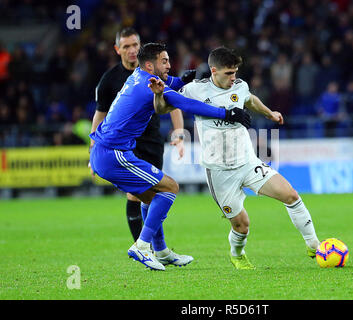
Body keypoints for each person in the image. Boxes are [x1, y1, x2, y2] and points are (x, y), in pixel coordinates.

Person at [150, 46, 320, 270]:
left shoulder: (239, 86)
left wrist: (269, 113)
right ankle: (237, 254)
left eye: (235, 72)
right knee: (242, 226)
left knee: (291, 195)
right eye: (228, 73)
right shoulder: (194, 90)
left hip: (247, 162)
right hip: (219, 172)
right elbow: (162, 109)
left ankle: (314, 245)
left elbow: (249, 99)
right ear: (213, 70)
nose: (234, 77)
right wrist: (159, 94)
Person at [90, 42, 251, 271]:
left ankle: (162, 251)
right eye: (164, 61)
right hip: (113, 154)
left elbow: (170, 82)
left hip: (107, 153)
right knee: (170, 187)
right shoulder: (147, 87)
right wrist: (227, 113)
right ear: (149, 64)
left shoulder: (138, 76)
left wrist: (183, 79)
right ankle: (142, 246)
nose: (169, 65)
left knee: (150, 197)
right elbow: (185, 103)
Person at [89, 28, 196, 246]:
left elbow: (173, 102)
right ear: (117, 49)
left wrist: (178, 132)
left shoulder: (154, 73)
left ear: (141, 47)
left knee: (156, 194)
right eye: (126, 46)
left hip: (152, 142)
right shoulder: (109, 80)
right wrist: (93, 151)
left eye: (135, 45)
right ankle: (142, 245)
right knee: (138, 194)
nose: (131, 50)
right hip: (123, 146)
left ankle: (157, 249)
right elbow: (99, 117)